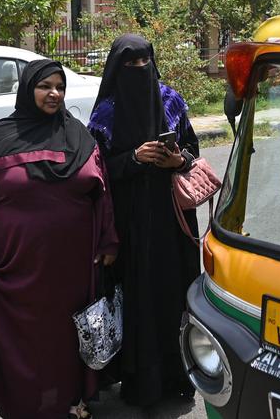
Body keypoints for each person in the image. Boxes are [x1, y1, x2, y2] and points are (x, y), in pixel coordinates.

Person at [0, 59, 117, 419]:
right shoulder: (1, 137)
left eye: (60, 87)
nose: (54, 94)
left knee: (64, 339)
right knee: (23, 341)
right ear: (28, 89)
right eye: (45, 86)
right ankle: (24, 406)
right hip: (16, 267)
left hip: (72, 267)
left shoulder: (78, 135)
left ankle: (68, 402)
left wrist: (109, 240)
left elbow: (102, 193)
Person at [87, 34, 201, 407]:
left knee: (174, 294)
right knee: (136, 299)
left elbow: (193, 150)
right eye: (130, 64)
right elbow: (96, 170)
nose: (138, 69)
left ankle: (179, 376)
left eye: (143, 62)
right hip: (130, 224)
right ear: (116, 68)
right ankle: (140, 383)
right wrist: (133, 158)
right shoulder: (105, 114)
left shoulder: (170, 101)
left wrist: (178, 160)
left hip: (172, 221)